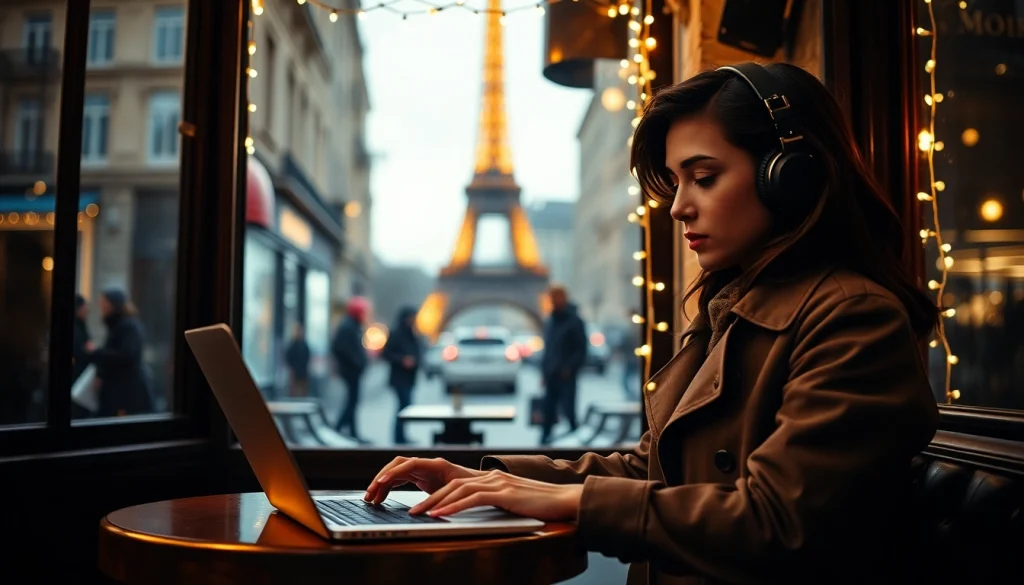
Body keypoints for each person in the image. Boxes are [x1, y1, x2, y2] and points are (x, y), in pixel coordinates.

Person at [363, 62, 940, 585]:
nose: (677, 206)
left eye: (704, 177)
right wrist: (492, 476)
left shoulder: (854, 318)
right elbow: (654, 465)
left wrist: (568, 502)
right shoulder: (729, 313)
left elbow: (776, 522)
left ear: (789, 177)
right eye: (675, 179)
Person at [88, 288, 154, 417]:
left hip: (127, 394)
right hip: (119, 393)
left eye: (104, 302)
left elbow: (126, 355)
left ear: (112, 304)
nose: (101, 307)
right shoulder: (118, 326)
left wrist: (97, 352)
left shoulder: (128, 326)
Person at [539, 286, 588, 445]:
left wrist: (570, 368)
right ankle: (545, 441)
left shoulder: (574, 321)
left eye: (555, 297)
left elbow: (581, 349)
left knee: (569, 410)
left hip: (565, 374)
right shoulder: (552, 320)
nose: (553, 301)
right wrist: (544, 373)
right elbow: (548, 349)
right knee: (548, 409)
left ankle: (575, 443)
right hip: (552, 373)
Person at [380, 306, 422, 445]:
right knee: (403, 407)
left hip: (408, 377)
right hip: (400, 378)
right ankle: (399, 437)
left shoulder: (411, 333)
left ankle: (401, 436)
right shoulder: (397, 333)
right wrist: (402, 359)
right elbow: (386, 354)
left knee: (405, 406)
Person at [332, 297, 369, 442]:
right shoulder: (348, 327)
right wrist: (356, 362)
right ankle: (338, 428)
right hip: (351, 371)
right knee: (352, 402)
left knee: (353, 401)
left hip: (353, 370)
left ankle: (352, 432)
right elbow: (339, 348)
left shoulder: (352, 325)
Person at [284, 323, 311, 398]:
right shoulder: (292, 345)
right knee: (294, 392)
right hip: (294, 372)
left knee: (303, 392)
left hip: (303, 371)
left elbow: (307, 356)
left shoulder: (304, 345)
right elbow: (288, 357)